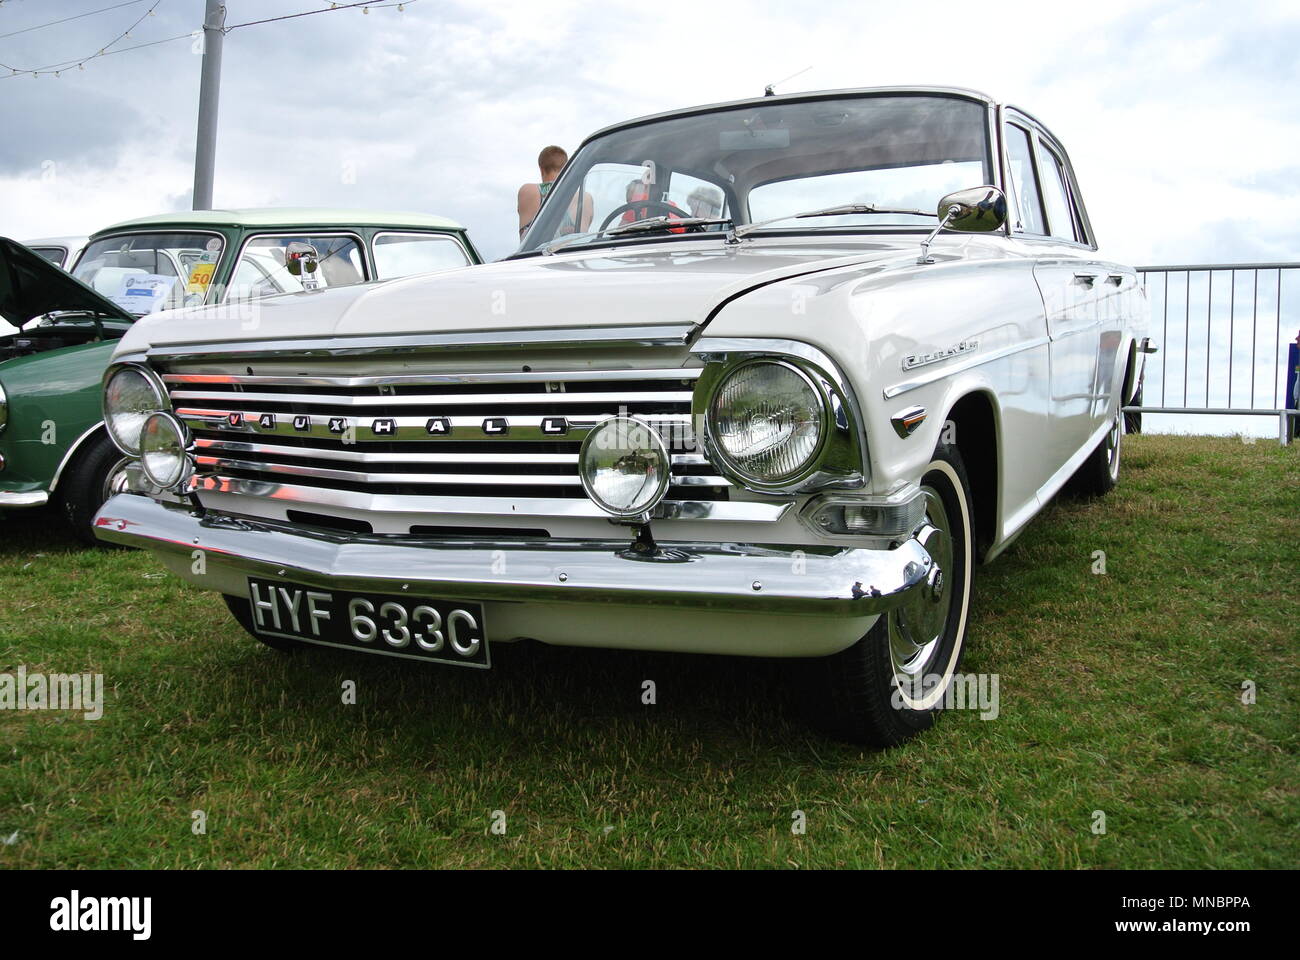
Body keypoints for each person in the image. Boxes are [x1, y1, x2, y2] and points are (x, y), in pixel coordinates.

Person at [517, 145, 568, 238]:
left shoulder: (529, 191)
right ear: (566, 168)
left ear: (541, 169)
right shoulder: (585, 199)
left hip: (542, 252)